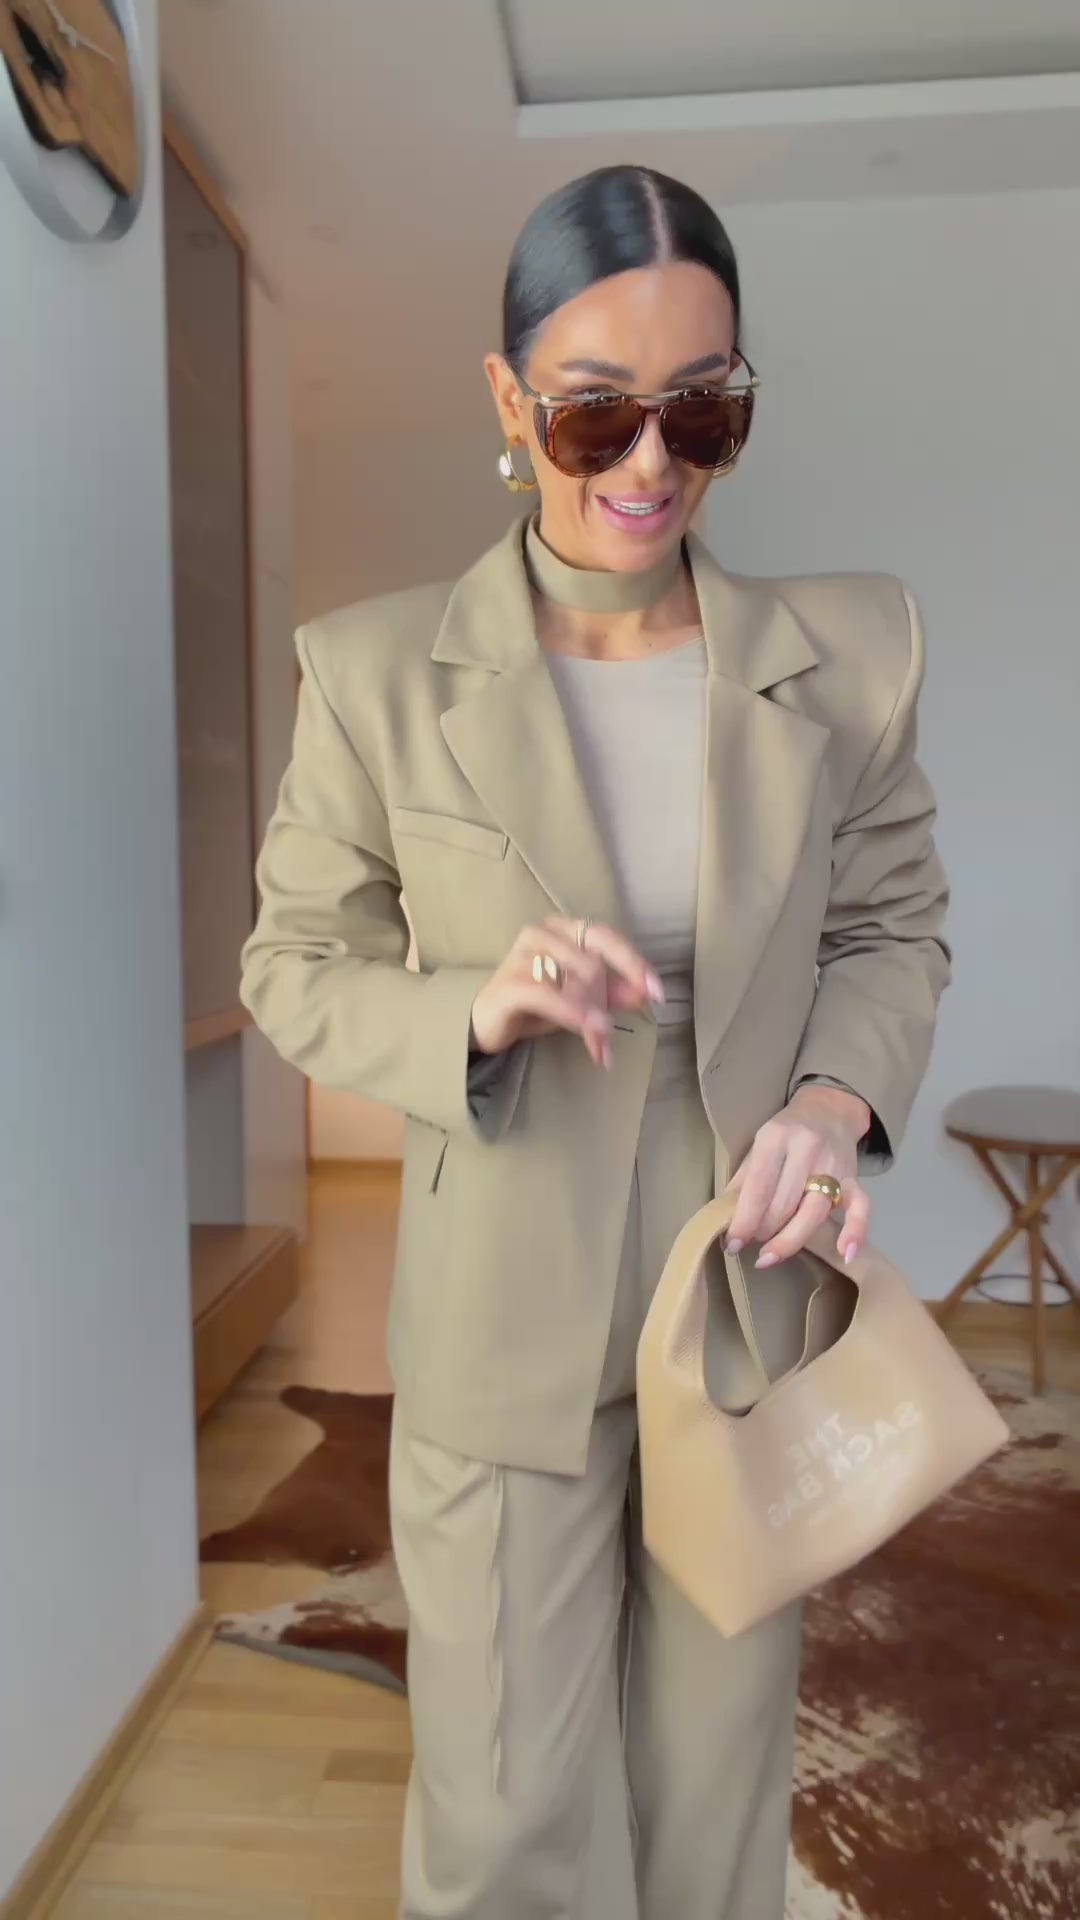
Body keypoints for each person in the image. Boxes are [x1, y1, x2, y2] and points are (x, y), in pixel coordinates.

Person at [240, 165, 950, 1920]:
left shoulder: (845, 658)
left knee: (714, 1796)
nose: (650, 462)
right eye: (592, 412)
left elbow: (890, 926)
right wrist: (473, 1007)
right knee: (503, 1819)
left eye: (702, 409)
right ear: (508, 402)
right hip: (502, 1298)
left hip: (743, 1285)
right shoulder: (376, 676)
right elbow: (296, 966)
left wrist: (831, 1100)